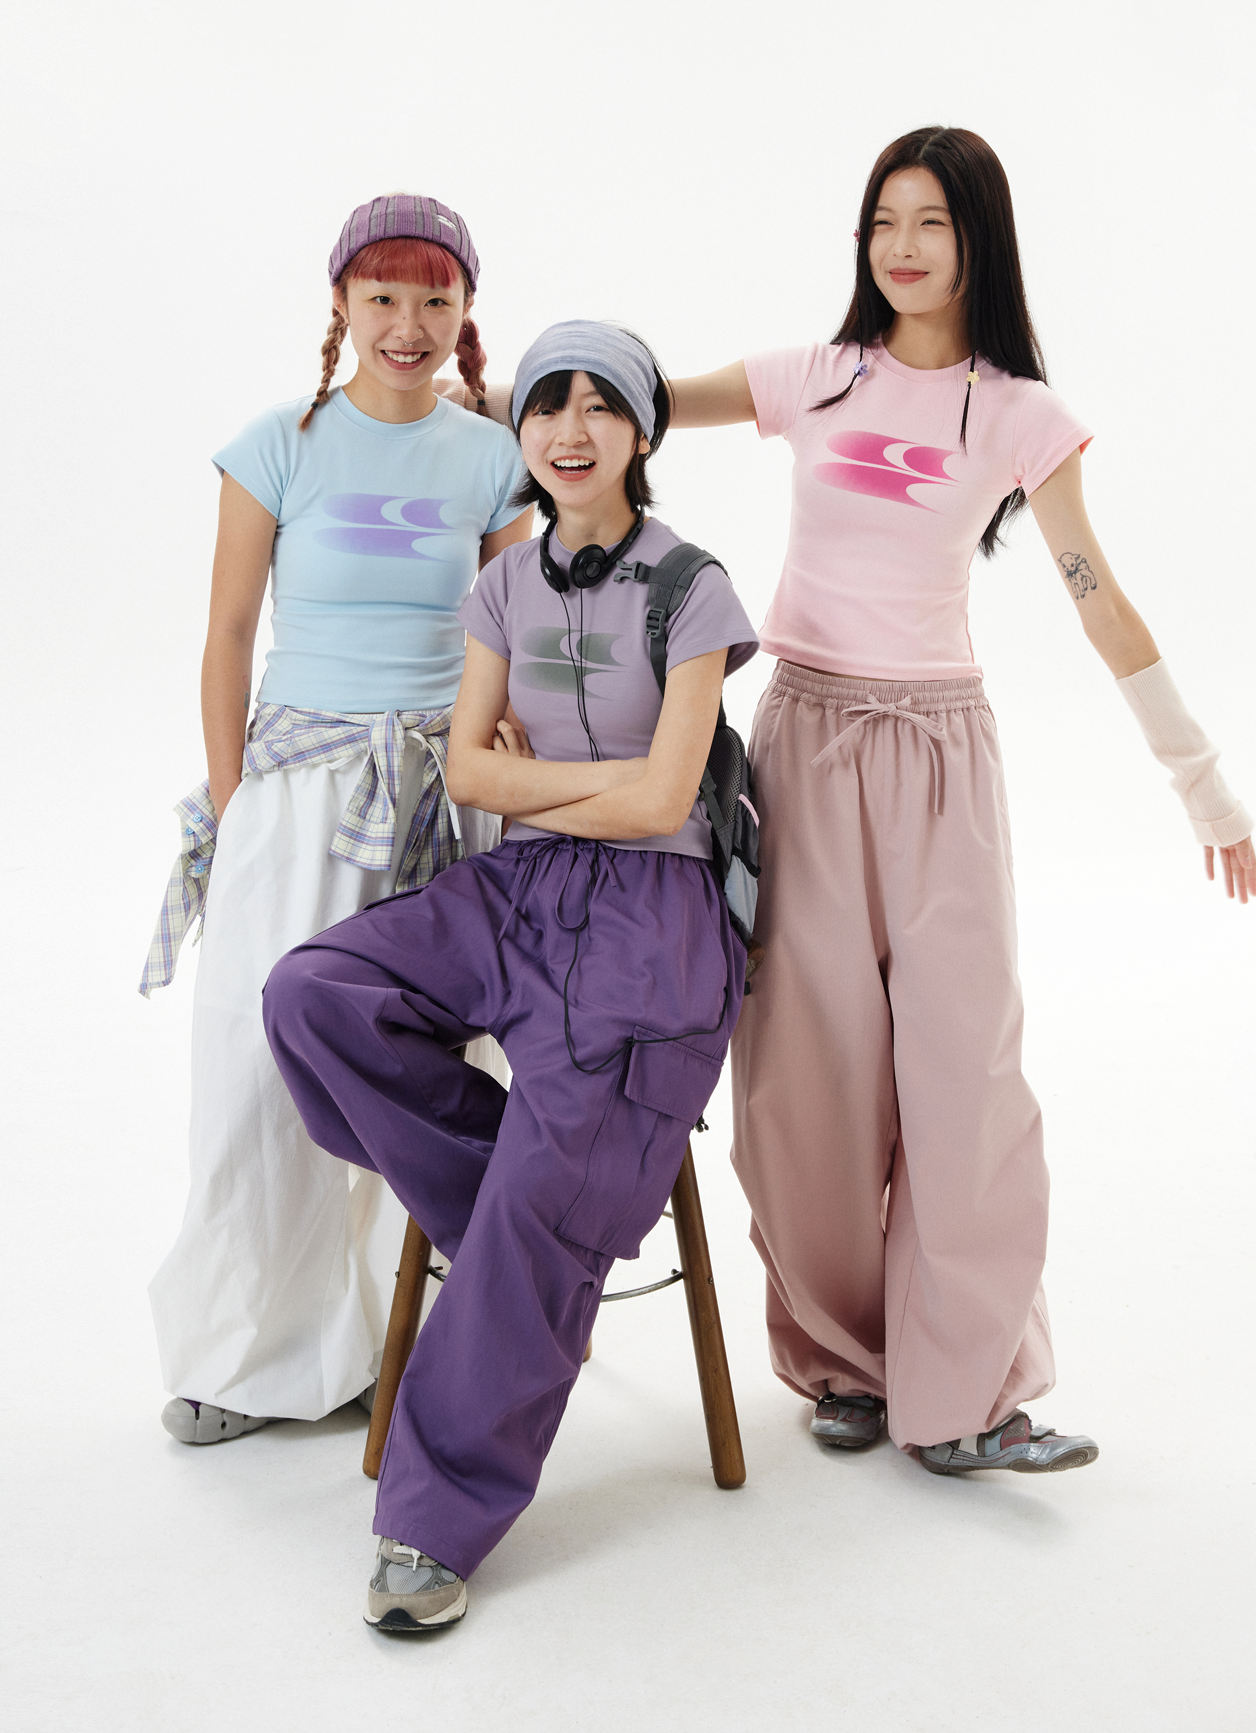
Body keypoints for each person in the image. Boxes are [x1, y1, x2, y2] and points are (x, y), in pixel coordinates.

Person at [667, 126, 1256, 1475]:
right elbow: (625, 403)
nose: (903, 246)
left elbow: (1100, 601)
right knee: (805, 1076)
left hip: (939, 756)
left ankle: (966, 1392)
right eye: (883, 220)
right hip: (808, 738)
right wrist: (475, 389)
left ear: (977, 240)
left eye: (930, 221)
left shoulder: (1019, 415)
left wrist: (1203, 783)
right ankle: (845, 1361)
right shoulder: (814, 377)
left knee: (965, 1072)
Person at [262, 321, 759, 1629]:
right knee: (314, 994)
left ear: (642, 433)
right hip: (519, 889)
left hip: (656, 921)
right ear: (520, 430)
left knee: (555, 1170)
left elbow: (664, 806)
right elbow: (473, 772)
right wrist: (607, 785)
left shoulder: (693, 587)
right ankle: (529, 1230)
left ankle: (432, 1525)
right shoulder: (502, 588)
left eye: (602, 406)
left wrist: (575, 785)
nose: (569, 431)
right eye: (547, 406)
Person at [141, 193, 531, 1446]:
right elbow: (226, 635)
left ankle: (386, 1344)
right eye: (383, 297)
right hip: (299, 789)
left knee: (416, 1079)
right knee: (256, 1077)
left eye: (435, 299)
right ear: (341, 304)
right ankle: (238, 1358)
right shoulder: (278, 445)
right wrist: (235, 803)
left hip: (436, 800)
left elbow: (512, 633)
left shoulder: (492, 457)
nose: (408, 324)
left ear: (465, 310)